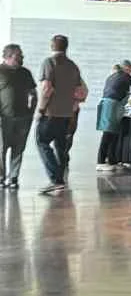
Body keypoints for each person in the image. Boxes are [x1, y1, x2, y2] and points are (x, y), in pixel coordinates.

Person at [34, 33, 86, 194]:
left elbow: (46, 89)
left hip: (50, 113)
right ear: (66, 47)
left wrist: (40, 110)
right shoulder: (73, 66)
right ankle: (61, 179)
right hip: (66, 115)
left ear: (52, 46)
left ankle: (56, 179)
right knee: (60, 146)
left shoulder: (49, 63)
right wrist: (72, 106)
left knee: (42, 142)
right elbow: (80, 92)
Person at [0, 43, 36, 191]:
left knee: (18, 149)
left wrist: (32, 112)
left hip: (23, 118)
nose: (22, 57)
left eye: (21, 55)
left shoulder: (25, 73)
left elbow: (33, 93)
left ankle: (14, 177)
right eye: (19, 55)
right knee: (1, 149)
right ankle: (1, 178)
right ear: (8, 56)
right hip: (3, 118)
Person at [95, 61, 131, 174]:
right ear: (125, 68)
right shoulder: (125, 76)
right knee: (108, 133)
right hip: (112, 105)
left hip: (108, 104)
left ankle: (112, 161)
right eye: (130, 68)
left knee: (114, 133)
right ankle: (100, 162)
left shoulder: (112, 76)